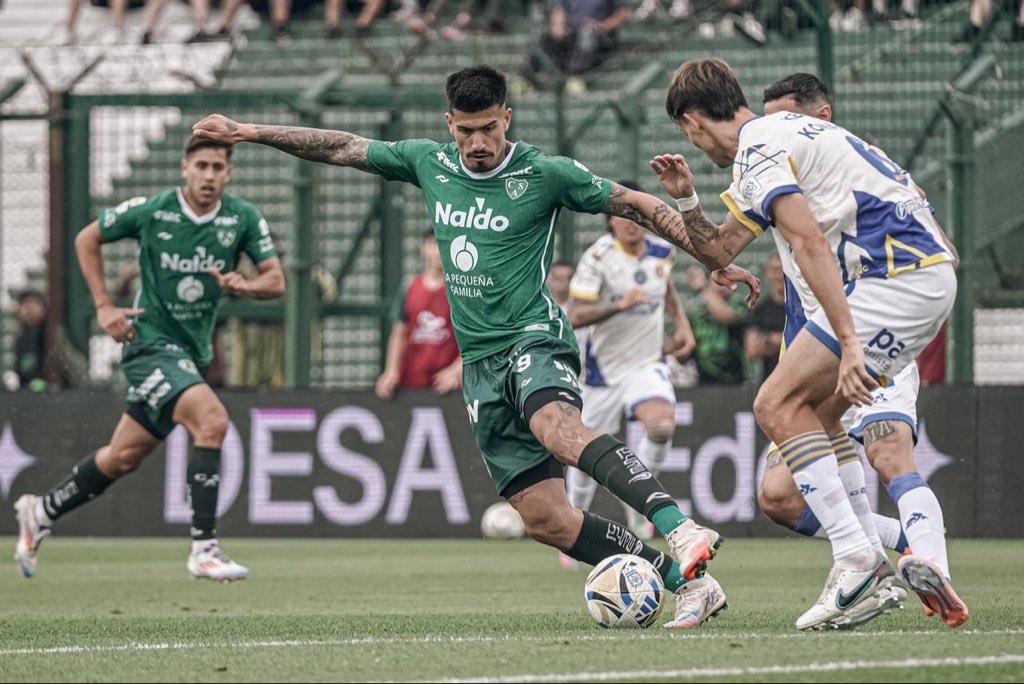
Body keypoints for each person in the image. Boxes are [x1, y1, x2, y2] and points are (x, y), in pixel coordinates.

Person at [192, 64, 760, 628]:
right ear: (449, 125)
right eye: (465, 131)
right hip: (480, 367)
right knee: (546, 519)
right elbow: (342, 146)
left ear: (506, 118)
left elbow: (636, 204)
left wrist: (711, 254)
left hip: (533, 337)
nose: (477, 143)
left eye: (488, 128)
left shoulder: (544, 172)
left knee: (557, 431)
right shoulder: (429, 163)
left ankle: (680, 526)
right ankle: (690, 581)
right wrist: (250, 131)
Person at [653, 59, 958, 630]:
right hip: (923, 276)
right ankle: (868, 563)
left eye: (685, 132)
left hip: (891, 282)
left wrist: (846, 342)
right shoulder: (792, 135)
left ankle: (859, 558)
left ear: (693, 122)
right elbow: (720, 253)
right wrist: (688, 202)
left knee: (773, 405)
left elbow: (808, 240)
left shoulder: (760, 143)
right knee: (816, 416)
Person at [13, 135, 285, 582]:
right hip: (148, 342)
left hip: (190, 353)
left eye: (218, 167)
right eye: (202, 166)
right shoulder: (153, 210)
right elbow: (87, 238)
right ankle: (204, 547)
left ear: (229, 173)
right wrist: (103, 305)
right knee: (212, 421)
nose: (209, 176)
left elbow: (276, 282)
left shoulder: (242, 218)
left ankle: (41, 512)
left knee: (122, 457)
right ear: (184, 168)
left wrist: (244, 286)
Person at [751, 73, 967, 629]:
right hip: (813, 348)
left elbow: (943, 252)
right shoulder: (772, 179)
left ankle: (928, 568)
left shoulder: (862, 176)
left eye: (786, 117)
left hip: (871, 332)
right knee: (777, 495)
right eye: (766, 118)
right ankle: (890, 548)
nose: (773, 130)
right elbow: (724, 239)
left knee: (891, 456)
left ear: (819, 117)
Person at [561, 182, 698, 567]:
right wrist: (620, 304)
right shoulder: (598, 258)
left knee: (660, 427)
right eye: (623, 217)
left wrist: (681, 324)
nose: (631, 224)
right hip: (601, 374)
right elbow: (575, 315)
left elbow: (665, 289)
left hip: (645, 364)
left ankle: (638, 503)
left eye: (636, 216)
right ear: (611, 223)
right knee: (582, 455)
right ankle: (573, 530)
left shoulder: (662, 251)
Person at [376, 229, 462, 399]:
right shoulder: (410, 288)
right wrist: (391, 371)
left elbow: (474, 340)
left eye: (444, 244)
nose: (438, 251)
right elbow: (399, 335)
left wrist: (456, 370)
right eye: (433, 244)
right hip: (411, 386)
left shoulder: (460, 292)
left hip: (448, 389)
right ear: (423, 248)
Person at [525, 0, 633, 94]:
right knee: (543, 36)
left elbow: (624, 13)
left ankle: (576, 76)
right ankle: (528, 77)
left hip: (601, 35)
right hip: (573, 33)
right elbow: (559, 9)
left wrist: (604, 25)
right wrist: (558, 26)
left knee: (587, 34)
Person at [683, 264, 748, 385]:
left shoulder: (739, 302)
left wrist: (705, 288)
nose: (722, 284)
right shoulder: (697, 310)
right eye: (718, 279)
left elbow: (726, 316)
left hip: (734, 377)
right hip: (703, 378)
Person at [744, 253, 786, 383]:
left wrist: (768, 340)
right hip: (770, 381)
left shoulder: (801, 307)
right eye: (774, 270)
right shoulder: (760, 310)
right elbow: (752, 349)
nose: (779, 276)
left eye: (782, 270)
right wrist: (787, 340)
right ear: (767, 274)